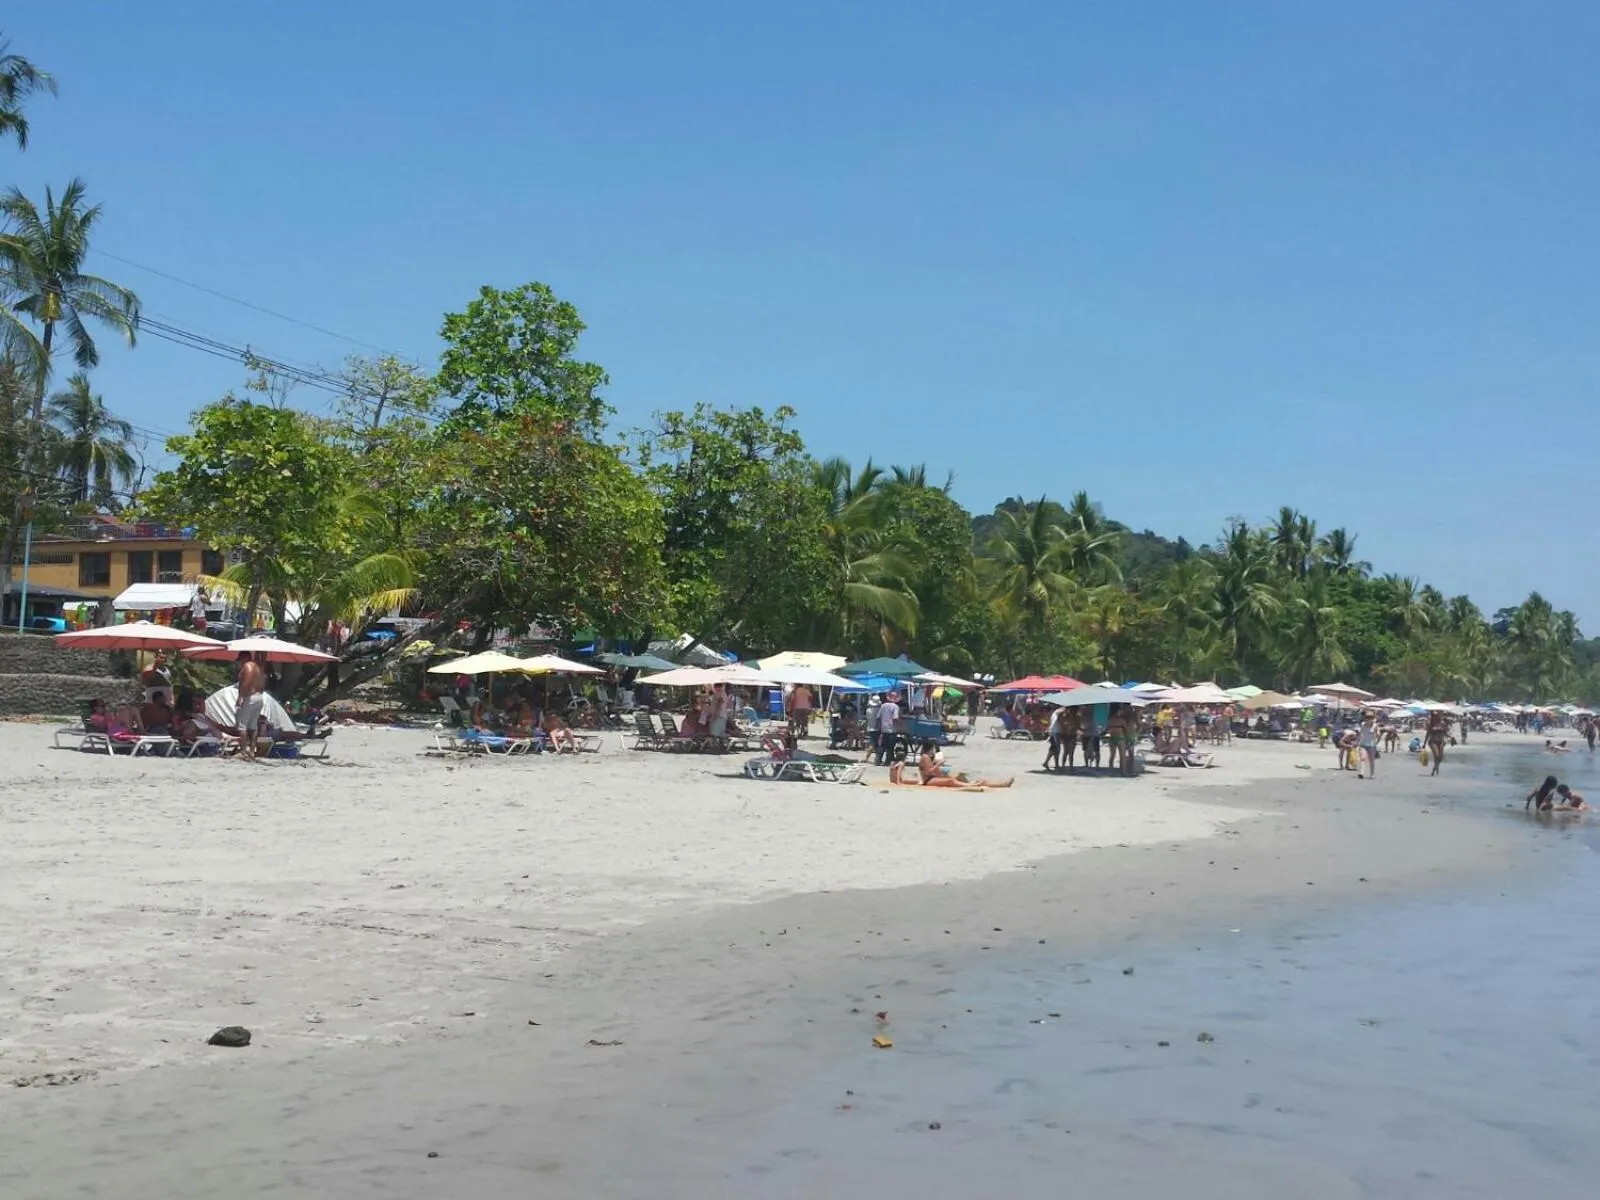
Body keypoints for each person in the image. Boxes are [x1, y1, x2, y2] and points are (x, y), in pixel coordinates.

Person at [889, 740, 1014, 788]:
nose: (934, 750)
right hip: (929, 780)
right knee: (951, 781)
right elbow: (928, 772)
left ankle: (999, 784)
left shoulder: (927, 757)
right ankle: (971, 785)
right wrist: (939, 764)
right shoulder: (925, 757)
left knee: (957, 777)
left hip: (932, 778)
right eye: (933, 748)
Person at [236, 651, 266, 761]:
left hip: (250, 697)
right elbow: (262, 683)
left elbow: (247, 682)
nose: (239, 663)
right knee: (253, 726)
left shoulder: (248, 666)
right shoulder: (258, 668)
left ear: (244, 658)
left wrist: (241, 697)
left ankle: (243, 751)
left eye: (240, 660)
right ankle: (252, 751)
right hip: (259, 696)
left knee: (242, 725)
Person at [874, 690, 902, 764]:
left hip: (884, 729)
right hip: (892, 729)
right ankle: (887, 761)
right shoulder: (895, 707)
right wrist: (900, 724)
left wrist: (879, 727)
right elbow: (895, 718)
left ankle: (878, 760)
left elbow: (878, 717)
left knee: (882, 746)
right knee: (890, 747)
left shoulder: (883, 705)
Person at [1356, 713, 1379, 780]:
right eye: (1367, 717)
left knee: (1371, 760)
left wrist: (1377, 735)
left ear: (1372, 718)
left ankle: (1372, 774)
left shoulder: (1375, 726)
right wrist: (1357, 742)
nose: (1368, 719)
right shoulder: (1362, 724)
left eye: (1370, 718)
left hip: (1371, 745)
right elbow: (1360, 734)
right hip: (1363, 744)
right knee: (1363, 758)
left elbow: (1378, 734)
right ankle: (1361, 773)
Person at [1425, 710, 1447, 776]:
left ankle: (1436, 767)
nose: (1435, 717)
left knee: (1440, 757)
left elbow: (1445, 732)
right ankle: (1434, 769)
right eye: (1434, 715)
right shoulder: (1430, 724)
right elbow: (1428, 733)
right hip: (1433, 741)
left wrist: (1451, 737)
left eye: (1436, 715)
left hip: (1441, 741)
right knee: (1436, 755)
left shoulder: (1442, 723)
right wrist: (1424, 743)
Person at [1043, 704, 1064, 772]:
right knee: (1056, 749)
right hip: (1056, 732)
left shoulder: (1054, 713)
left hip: (1053, 731)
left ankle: (1046, 762)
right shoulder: (1057, 712)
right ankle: (1056, 764)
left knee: (1053, 748)